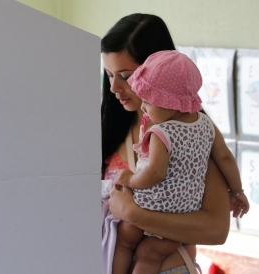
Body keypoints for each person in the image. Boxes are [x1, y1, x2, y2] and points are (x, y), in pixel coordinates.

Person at [101, 13, 245, 274]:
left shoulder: (193, 135)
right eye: (109, 75)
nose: (113, 87)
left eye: (125, 75)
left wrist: (134, 215)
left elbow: (216, 230)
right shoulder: (105, 130)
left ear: (160, 73)